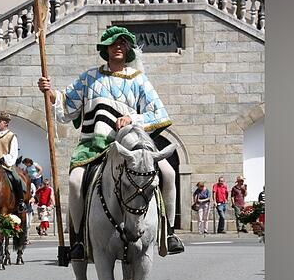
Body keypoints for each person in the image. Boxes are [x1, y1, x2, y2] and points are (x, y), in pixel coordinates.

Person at [37, 25, 184, 260]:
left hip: (132, 145)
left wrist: (133, 118)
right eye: (113, 43)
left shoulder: (138, 80)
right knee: (75, 182)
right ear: (105, 48)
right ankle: (80, 239)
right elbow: (67, 103)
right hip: (93, 145)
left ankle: (169, 233)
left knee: (167, 172)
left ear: (127, 50)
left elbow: (160, 114)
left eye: (122, 43)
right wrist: (50, 92)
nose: (118, 47)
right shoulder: (89, 77)